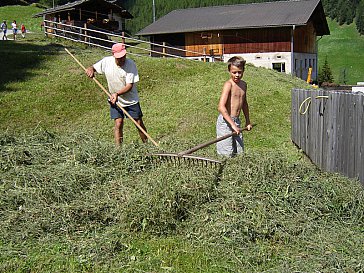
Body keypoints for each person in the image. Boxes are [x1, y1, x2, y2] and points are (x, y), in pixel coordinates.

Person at [86, 43, 148, 146]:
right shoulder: (107, 61)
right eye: (119, 58)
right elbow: (93, 67)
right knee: (118, 123)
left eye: (124, 56)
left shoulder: (130, 64)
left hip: (130, 100)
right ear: (113, 55)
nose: (122, 59)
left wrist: (117, 94)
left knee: (138, 124)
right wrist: (90, 69)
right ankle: (119, 151)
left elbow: (129, 86)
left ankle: (147, 146)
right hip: (115, 99)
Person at [216, 56, 252, 156]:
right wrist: (232, 124)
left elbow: (244, 103)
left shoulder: (244, 85)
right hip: (226, 122)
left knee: (239, 151)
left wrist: (248, 121)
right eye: (234, 72)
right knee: (226, 152)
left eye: (239, 72)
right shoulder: (229, 85)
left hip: (236, 121)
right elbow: (221, 107)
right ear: (229, 71)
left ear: (243, 71)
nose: (237, 75)